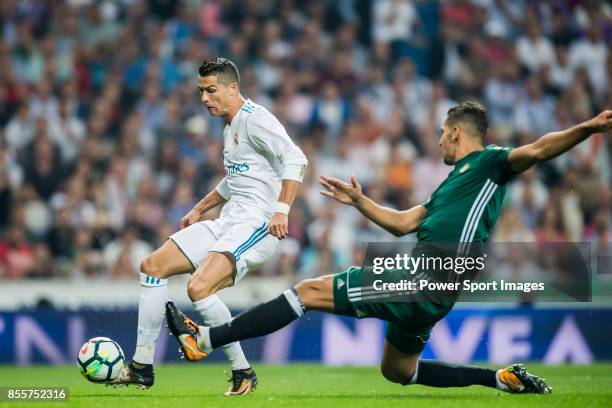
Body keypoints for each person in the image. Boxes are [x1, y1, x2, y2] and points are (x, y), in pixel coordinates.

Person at [167, 102, 612, 394]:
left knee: (307, 292)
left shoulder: (492, 163)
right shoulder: (449, 188)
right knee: (398, 372)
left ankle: (204, 339)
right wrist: (361, 202)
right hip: (431, 290)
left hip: (425, 278)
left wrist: (590, 127)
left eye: (442, 132)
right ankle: (499, 379)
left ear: (457, 133)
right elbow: (402, 223)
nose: (438, 140)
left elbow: (538, 149)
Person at [111, 58, 308, 396]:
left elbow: (297, 158)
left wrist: (282, 210)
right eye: (201, 91)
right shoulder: (228, 126)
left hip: (258, 225)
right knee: (152, 267)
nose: (204, 98)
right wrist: (199, 209)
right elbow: (236, 180)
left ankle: (241, 370)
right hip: (229, 220)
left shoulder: (256, 121)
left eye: (211, 90)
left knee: (198, 288)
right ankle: (142, 365)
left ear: (233, 88)